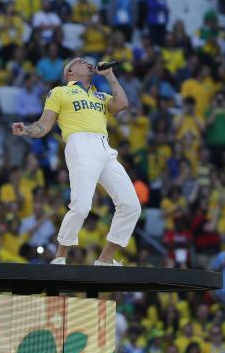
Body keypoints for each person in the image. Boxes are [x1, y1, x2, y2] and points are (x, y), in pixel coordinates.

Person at [11, 57, 140, 265]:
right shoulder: (60, 92)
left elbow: (122, 104)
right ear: (69, 72)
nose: (87, 63)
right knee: (81, 206)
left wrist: (109, 75)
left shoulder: (100, 95)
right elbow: (43, 126)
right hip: (80, 144)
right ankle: (60, 255)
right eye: (80, 61)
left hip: (105, 147)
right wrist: (26, 129)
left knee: (131, 206)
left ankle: (105, 259)